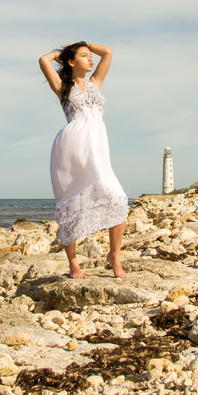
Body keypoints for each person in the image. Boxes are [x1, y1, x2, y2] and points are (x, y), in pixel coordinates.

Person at [39, 41, 128, 279]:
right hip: (70, 150)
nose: (91, 59)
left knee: (115, 196)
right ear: (71, 61)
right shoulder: (62, 87)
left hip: (97, 148)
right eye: (84, 56)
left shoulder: (95, 83)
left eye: (90, 56)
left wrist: (84, 44)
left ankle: (114, 256)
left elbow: (108, 52)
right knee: (70, 203)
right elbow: (43, 60)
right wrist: (61, 54)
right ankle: (73, 264)